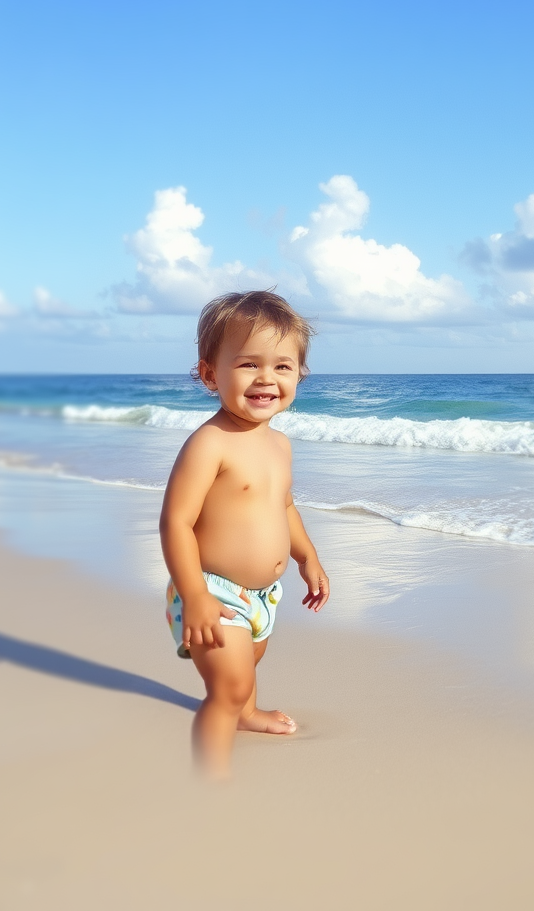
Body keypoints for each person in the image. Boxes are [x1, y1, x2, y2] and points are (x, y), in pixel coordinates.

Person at [160, 290, 329, 778]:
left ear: (300, 375)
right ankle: (210, 775)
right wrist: (193, 594)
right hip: (210, 589)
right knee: (228, 687)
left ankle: (248, 716)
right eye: (248, 364)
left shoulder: (280, 445)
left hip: (263, 596)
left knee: (250, 665)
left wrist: (306, 557)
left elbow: (284, 505)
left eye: (282, 367)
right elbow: (176, 522)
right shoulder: (209, 443)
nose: (266, 379)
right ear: (211, 374)